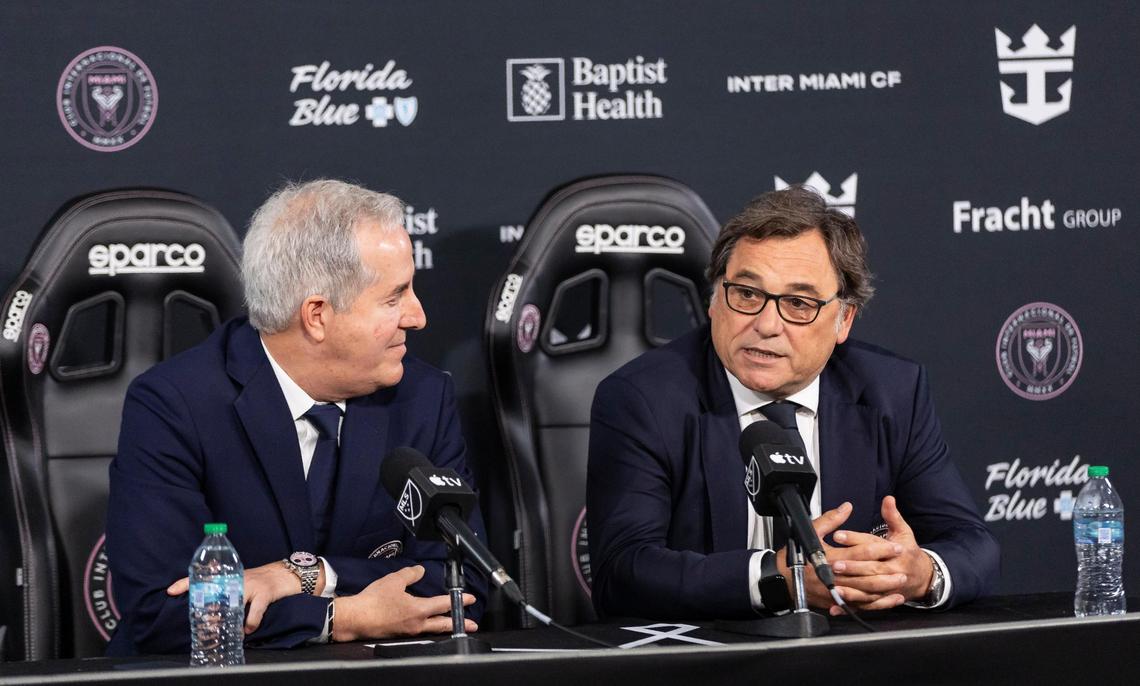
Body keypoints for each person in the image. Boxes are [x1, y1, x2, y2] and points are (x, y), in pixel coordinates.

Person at [106, 179, 487, 654]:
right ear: (317, 316)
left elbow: (465, 581)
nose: (418, 316)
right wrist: (341, 617)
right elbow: (160, 611)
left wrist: (304, 576)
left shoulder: (423, 398)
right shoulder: (173, 406)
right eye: (394, 298)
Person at [587, 185, 998, 620]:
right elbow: (623, 575)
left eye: (798, 304)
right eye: (746, 294)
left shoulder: (892, 392)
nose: (766, 324)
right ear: (714, 300)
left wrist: (919, 574)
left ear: (844, 320)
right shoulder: (643, 399)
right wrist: (777, 578)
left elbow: (973, 544)